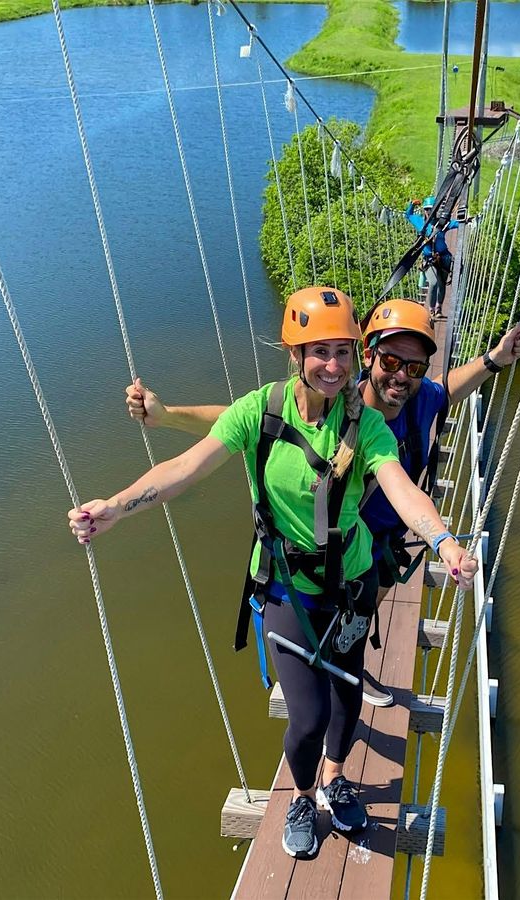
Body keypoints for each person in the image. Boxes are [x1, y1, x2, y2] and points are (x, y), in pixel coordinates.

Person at [68, 287, 477, 860]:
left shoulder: (367, 427)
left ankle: (336, 781)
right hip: (287, 585)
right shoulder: (258, 412)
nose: (332, 366)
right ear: (294, 354)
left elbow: (399, 486)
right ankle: (304, 796)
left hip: (352, 587)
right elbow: (186, 467)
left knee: (348, 697)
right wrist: (115, 506)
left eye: (341, 351)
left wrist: (444, 541)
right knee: (307, 717)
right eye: (318, 352)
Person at [124, 298, 520, 707]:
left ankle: (349, 672)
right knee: (328, 628)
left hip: (386, 538)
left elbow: (447, 390)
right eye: (389, 362)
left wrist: (494, 360)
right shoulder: (342, 408)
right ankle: (330, 681)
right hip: (339, 541)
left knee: (362, 614)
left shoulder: (420, 399)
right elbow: (246, 420)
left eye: (414, 368)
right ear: (368, 357)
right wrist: (169, 416)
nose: (401, 377)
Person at [405, 196, 458, 315]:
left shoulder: (442, 223)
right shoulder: (420, 222)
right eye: (427, 209)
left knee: (442, 283)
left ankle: (439, 308)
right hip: (429, 259)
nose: (430, 212)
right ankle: (431, 309)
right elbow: (408, 215)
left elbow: (455, 224)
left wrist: (469, 220)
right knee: (433, 283)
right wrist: (412, 204)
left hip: (444, 257)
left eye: (432, 209)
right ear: (424, 210)